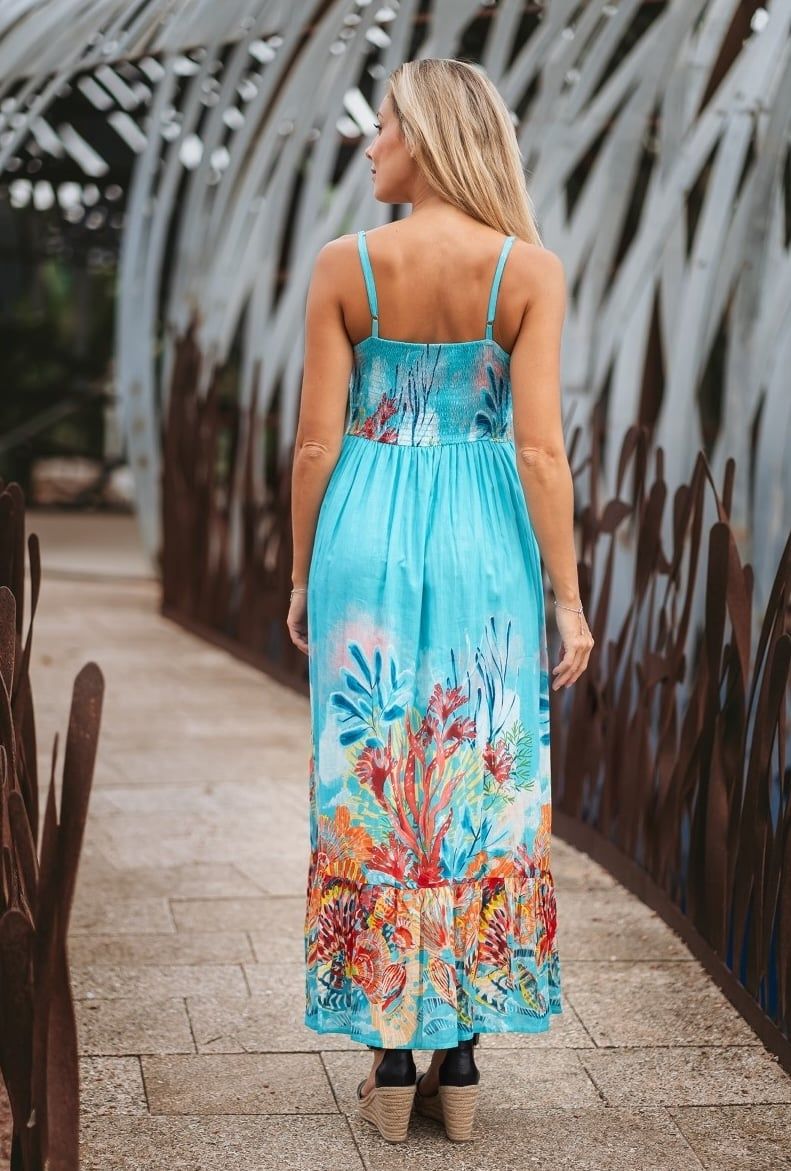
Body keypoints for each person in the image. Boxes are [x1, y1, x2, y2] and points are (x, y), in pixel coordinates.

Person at [287, 57, 593, 1144]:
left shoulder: (345, 265)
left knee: (369, 774)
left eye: (382, 127)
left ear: (422, 136)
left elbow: (315, 443)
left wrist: (299, 574)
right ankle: (458, 1055)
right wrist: (567, 599)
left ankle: (388, 1051)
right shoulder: (527, 270)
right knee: (478, 771)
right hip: (481, 540)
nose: (369, 145)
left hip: (364, 534)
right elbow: (541, 452)